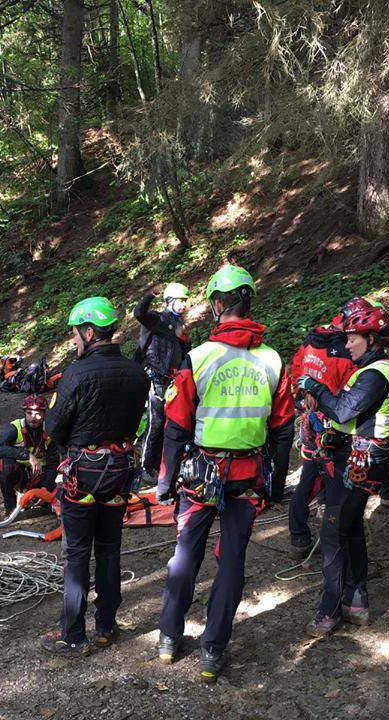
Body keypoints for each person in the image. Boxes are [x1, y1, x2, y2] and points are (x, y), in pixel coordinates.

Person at [155, 265, 294, 682]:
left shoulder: (199, 358)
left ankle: (168, 637)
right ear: (248, 303)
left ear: (217, 305)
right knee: (232, 559)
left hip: (201, 474)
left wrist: (165, 480)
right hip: (248, 477)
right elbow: (283, 429)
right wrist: (278, 482)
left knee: (186, 555)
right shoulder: (272, 360)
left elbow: (176, 426)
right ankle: (213, 650)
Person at [41, 297, 149, 657]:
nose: (74, 342)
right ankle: (106, 626)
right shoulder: (136, 373)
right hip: (118, 473)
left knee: (77, 554)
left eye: (75, 335)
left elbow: (54, 425)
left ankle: (73, 634)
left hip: (82, 476)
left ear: (89, 332)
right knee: (109, 550)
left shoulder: (77, 373)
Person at [299, 305, 389, 637]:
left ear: (371, 339)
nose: (348, 345)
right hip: (356, 461)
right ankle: (357, 601)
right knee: (351, 527)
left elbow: (344, 410)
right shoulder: (367, 371)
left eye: (353, 338)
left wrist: (316, 389)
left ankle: (329, 611)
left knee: (333, 534)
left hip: (362, 465)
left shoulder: (376, 373)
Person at [288, 316, 356, 559]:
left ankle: (299, 537)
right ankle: (334, 543)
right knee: (330, 479)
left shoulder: (310, 342)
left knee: (310, 475)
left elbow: (297, 370)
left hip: (311, 419)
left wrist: (301, 396)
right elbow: (350, 394)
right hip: (331, 424)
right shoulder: (345, 355)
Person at [133, 282, 192, 483]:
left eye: (185, 301)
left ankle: (161, 464)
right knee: (155, 422)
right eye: (180, 301)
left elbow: (184, 354)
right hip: (152, 376)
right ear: (170, 301)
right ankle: (145, 466)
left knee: (171, 422)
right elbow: (139, 313)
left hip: (172, 379)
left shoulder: (181, 326)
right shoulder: (156, 319)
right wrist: (150, 294)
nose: (184, 305)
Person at [0, 394, 58, 514]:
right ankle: (10, 508)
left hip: (40, 475)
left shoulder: (49, 431)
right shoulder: (15, 427)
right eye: (29, 413)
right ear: (24, 412)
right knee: (5, 465)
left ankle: (37, 499)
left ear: (44, 414)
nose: (33, 418)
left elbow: (53, 463)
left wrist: (45, 488)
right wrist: (28, 456)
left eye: (38, 414)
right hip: (20, 474)